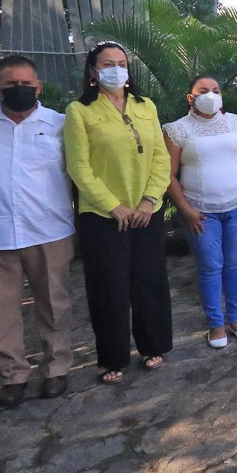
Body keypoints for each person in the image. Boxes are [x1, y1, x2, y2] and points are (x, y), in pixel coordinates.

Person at [0, 55, 76, 408]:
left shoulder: (60, 124)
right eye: (10, 84)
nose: (19, 89)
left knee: (54, 304)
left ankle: (57, 368)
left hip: (48, 230)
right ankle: (13, 376)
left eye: (26, 83)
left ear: (38, 86)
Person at [64, 41, 172, 384]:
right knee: (108, 287)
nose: (116, 68)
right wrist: (114, 206)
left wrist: (148, 201)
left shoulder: (146, 106)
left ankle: (153, 345)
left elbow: (161, 158)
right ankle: (112, 358)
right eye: (107, 63)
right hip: (102, 217)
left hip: (145, 212)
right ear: (94, 71)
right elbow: (78, 167)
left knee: (149, 281)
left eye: (122, 62)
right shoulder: (79, 111)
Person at [164, 75, 237, 346]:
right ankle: (216, 324)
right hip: (200, 212)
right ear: (191, 98)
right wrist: (185, 210)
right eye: (203, 91)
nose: (210, 95)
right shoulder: (177, 130)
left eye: (216, 90)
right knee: (210, 267)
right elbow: (169, 175)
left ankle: (236, 318)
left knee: (234, 264)